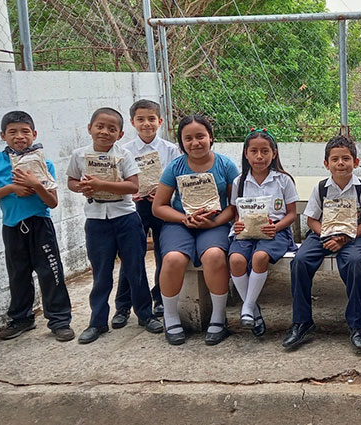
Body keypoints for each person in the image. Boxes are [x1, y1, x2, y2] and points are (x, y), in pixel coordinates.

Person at [67, 107, 164, 344]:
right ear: (89, 128)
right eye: (100, 126)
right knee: (101, 274)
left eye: (112, 129)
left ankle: (145, 314)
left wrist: (102, 184)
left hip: (126, 219)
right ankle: (98, 322)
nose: (105, 132)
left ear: (120, 134)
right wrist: (83, 187)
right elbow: (71, 181)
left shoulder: (124, 156)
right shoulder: (79, 155)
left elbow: (132, 187)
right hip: (97, 221)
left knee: (135, 269)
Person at [0, 111, 74, 342]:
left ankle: (60, 321)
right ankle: (21, 318)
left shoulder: (44, 163)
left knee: (51, 273)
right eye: (12, 132)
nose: (19, 136)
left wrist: (35, 185)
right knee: (18, 275)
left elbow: (52, 202)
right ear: (3, 135)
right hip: (12, 226)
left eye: (25, 131)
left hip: (40, 225)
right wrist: (12, 188)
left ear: (34, 134)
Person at [282, 135, 361, 352]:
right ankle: (302, 321)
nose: (340, 163)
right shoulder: (322, 187)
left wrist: (345, 238)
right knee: (300, 262)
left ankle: (356, 326)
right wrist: (327, 235)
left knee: (354, 264)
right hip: (321, 234)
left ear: (356, 162)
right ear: (326, 164)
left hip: (352, 236)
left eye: (346, 158)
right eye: (335, 159)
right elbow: (312, 220)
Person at [152, 114, 239, 346]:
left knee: (214, 256)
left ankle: (219, 318)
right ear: (181, 142)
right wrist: (185, 218)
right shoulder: (175, 167)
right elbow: (158, 206)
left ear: (210, 137)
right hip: (180, 224)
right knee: (172, 259)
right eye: (188, 138)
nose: (195, 142)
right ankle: (170, 318)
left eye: (200, 136)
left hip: (215, 224)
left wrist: (215, 222)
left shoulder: (226, 165)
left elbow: (235, 205)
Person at [112, 99, 181, 328]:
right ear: (132, 122)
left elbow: (177, 181)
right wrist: (133, 194)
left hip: (163, 207)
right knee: (132, 257)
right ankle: (123, 305)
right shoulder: (124, 151)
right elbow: (120, 180)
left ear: (160, 121)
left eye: (151, 119)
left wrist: (162, 195)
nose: (146, 124)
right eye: (140, 119)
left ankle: (160, 298)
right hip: (135, 207)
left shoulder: (171, 150)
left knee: (164, 253)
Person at [229, 128, 298, 338]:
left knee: (260, 257)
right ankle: (253, 310)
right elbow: (235, 213)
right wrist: (238, 224)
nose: (259, 156)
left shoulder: (283, 180)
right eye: (254, 151)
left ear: (274, 153)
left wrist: (276, 227)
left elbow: (292, 214)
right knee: (236, 260)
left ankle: (247, 308)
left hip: (276, 231)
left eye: (265, 151)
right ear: (246, 154)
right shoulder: (239, 181)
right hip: (246, 232)